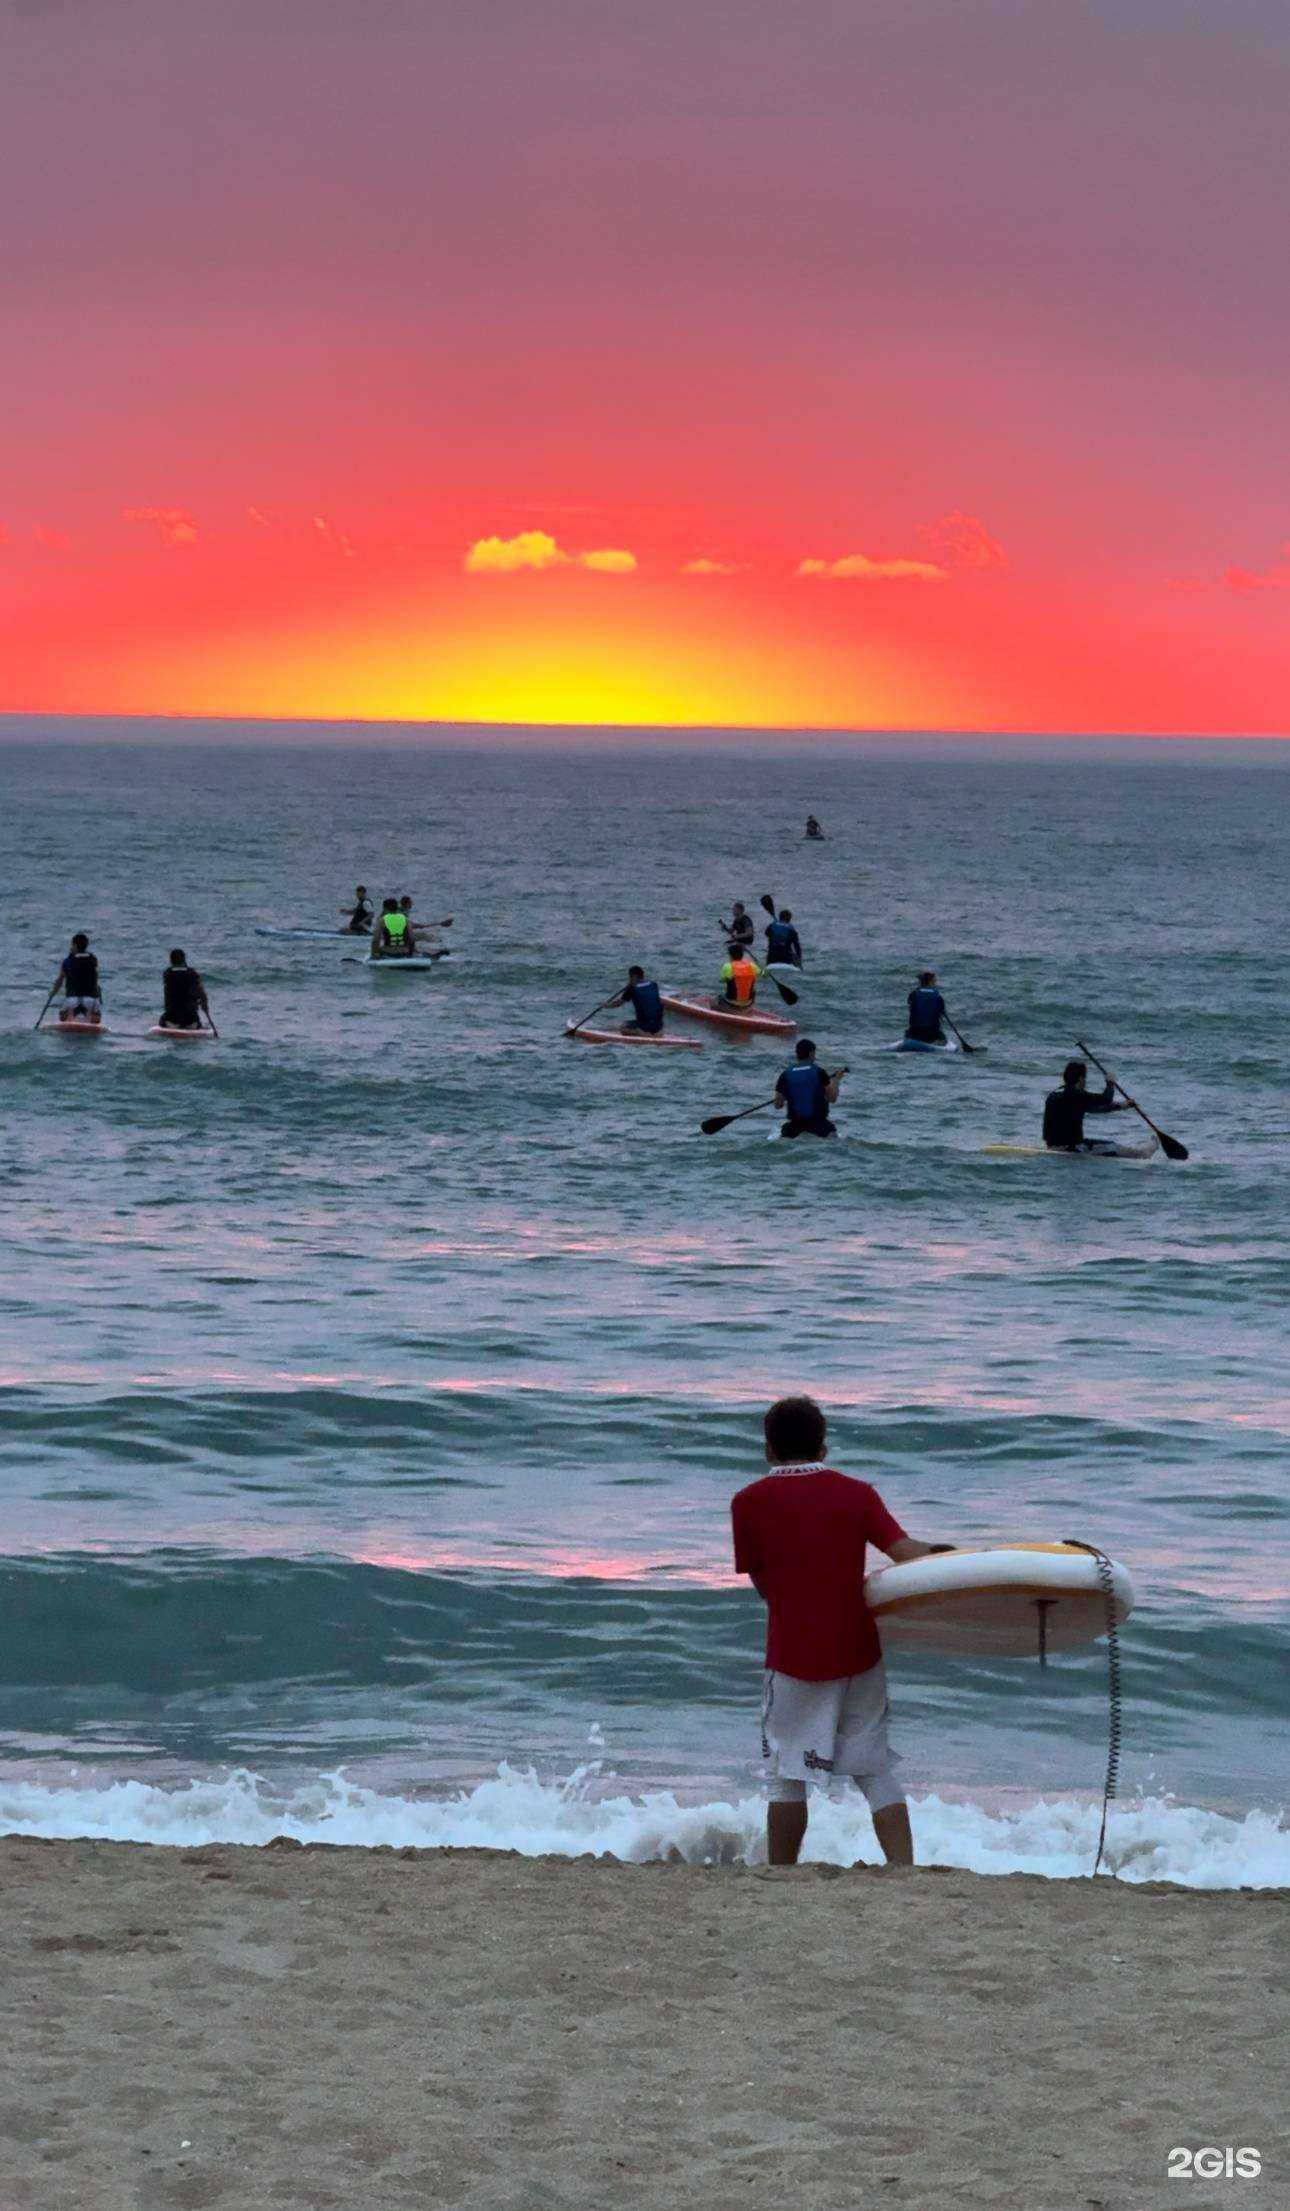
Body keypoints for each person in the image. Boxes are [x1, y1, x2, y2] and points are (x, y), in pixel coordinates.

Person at [731, 1395, 947, 1868]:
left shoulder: (747, 1503)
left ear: (767, 1449)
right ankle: (903, 1870)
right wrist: (957, 1559)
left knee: (787, 1773)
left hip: (792, 1655)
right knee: (873, 1767)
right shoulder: (857, 1494)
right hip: (858, 1652)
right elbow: (905, 1552)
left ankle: (782, 1873)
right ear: (824, 1448)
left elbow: (764, 1585)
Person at [1043, 1059, 1128, 1153]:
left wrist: (1121, 1106)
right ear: (1080, 1079)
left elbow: (1093, 1108)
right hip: (1072, 1147)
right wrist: (1110, 1083)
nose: (1085, 1082)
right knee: (1113, 1147)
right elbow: (1106, 1100)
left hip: (1052, 1145)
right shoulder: (1078, 1095)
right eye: (1085, 1078)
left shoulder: (1054, 1094)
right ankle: (1143, 1155)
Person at [774, 1039, 842, 1139]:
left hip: (793, 1127)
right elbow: (832, 1098)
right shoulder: (819, 1072)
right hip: (819, 1126)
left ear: (797, 1054)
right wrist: (836, 1080)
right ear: (811, 1053)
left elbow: (778, 1105)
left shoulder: (785, 1075)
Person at [53, 933, 101, 1024]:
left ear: (74, 945)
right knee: (96, 1018)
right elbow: (96, 978)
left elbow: (60, 980)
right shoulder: (93, 959)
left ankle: (70, 1018)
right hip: (91, 999)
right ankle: (93, 1019)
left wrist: (53, 992)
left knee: (62, 1017)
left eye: (72, 945)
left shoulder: (67, 961)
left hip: (72, 1000)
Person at [607, 965, 664, 1036]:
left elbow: (618, 1004)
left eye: (630, 977)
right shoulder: (653, 985)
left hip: (644, 1025)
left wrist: (605, 1005)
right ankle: (658, 1032)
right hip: (658, 1025)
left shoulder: (632, 989)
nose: (629, 980)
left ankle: (640, 1033)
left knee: (622, 1027)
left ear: (634, 976)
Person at [161, 949, 209, 1031]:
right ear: (184, 959)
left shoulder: (167, 974)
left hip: (171, 1020)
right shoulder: (193, 973)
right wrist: (205, 1007)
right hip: (191, 1021)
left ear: (171, 960)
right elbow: (202, 995)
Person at [906, 970, 947, 1045]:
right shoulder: (938, 997)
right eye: (935, 981)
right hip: (933, 1033)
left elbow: (911, 1008)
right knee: (943, 1038)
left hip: (914, 1032)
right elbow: (941, 1014)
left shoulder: (913, 994)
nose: (935, 983)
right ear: (930, 982)